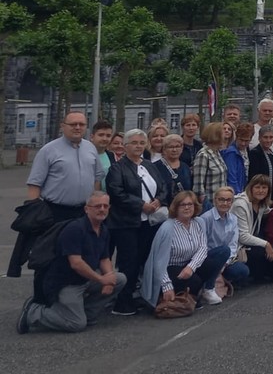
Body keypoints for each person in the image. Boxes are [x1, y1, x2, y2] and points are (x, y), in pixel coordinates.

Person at [10, 112, 104, 279]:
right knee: (48, 257)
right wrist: (35, 214)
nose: (77, 127)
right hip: (54, 213)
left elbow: (96, 178)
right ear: (63, 126)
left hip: (82, 213)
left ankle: (71, 295)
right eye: (73, 124)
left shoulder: (90, 148)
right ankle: (42, 300)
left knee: (78, 256)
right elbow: (34, 184)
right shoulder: (48, 150)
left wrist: (94, 206)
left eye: (81, 124)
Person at [17, 192, 126, 334]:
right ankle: (34, 312)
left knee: (120, 279)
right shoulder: (74, 229)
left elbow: (104, 259)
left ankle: (87, 313)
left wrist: (109, 279)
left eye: (105, 206)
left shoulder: (103, 230)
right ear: (87, 209)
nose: (102, 209)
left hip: (86, 279)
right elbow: (76, 263)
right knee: (76, 324)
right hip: (66, 282)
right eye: (97, 206)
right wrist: (101, 279)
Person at [105, 129, 170, 315]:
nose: (138, 146)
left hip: (149, 223)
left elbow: (163, 185)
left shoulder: (150, 165)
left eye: (141, 143)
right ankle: (122, 301)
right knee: (128, 262)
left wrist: (159, 200)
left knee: (145, 259)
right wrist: (141, 205)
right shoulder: (117, 168)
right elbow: (116, 192)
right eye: (134, 143)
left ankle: (140, 294)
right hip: (127, 223)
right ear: (125, 146)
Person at [140, 190, 229, 309]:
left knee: (223, 251)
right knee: (195, 280)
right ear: (176, 208)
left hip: (190, 265)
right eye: (183, 205)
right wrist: (167, 286)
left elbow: (203, 248)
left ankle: (207, 289)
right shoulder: (167, 228)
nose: (187, 208)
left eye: (190, 204)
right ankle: (184, 294)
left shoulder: (199, 222)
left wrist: (191, 267)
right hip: (170, 268)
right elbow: (159, 262)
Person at [197, 186, 250, 288]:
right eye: (221, 199)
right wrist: (217, 264)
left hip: (225, 259)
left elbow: (233, 245)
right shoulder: (205, 218)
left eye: (228, 200)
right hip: (208, 258)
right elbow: (201, 244)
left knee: (243, 270)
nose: (225, 203)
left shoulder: (233, 219)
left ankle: (221, 279)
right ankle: (210, 282)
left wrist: (224, 264)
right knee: (223, 251)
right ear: (215, 200)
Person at [231, 175, 273, 282]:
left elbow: (271, 212)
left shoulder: (261, 204)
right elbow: (243, 236)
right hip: (238, 246)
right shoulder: (240, 204)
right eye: (257, 187)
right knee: (262, 252)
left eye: (264, 188)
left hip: (250, 240)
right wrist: (266, 244)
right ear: (250, 188)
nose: (261, 191)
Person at [191, 122, 228, 212]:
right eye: (223, 132)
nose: (225, 134)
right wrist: (204, 201)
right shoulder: (203, 155)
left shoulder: (216, 152)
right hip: (210, 204)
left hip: (221, 202)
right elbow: (198, 184)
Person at [222, 122, 254, 194]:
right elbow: (231, 177)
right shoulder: (231, 152)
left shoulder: (247, 150)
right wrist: (238, 195)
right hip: (236, 192)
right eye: (241, 140)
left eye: (246, 141)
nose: (243, 143)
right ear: (236, 136)